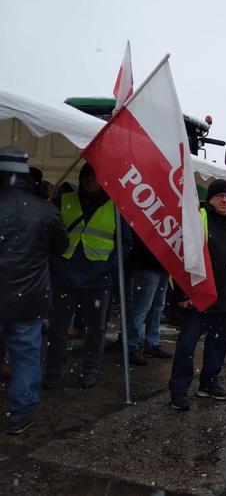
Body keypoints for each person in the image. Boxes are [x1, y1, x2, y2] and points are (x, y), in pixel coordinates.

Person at [44, 163, 131, 390]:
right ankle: (54, 371)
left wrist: (109, 266)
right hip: (65, 276)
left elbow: (125, 243)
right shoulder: (63, 201)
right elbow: (48, 236)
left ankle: (91, 369)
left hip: (97, 279)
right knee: (59, 327)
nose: (91, 181)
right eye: (87, 177)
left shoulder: (115, 206)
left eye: (95, 177)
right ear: (81, 179)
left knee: (96, 329)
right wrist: (56, 263)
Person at [0, 146, 68, 434]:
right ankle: (20, 414)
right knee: (26, 357)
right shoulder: (45, 210)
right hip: (28, 299)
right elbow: (61, 247)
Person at [169, 179, 226, 411]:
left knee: (218, 346)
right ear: (211, 198)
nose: (225, 200)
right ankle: (178, 390)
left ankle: (208, 384)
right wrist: (182, 292)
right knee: (187, 345)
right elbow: (183, 257)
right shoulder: (199, 220)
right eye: (219, 196)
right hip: (199, 297)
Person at [125, 234, 173, 365]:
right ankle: (132, 346)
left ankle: (149, 343)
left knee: (155, 306)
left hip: (160, 263)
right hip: (149, 263)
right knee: (143, 307)